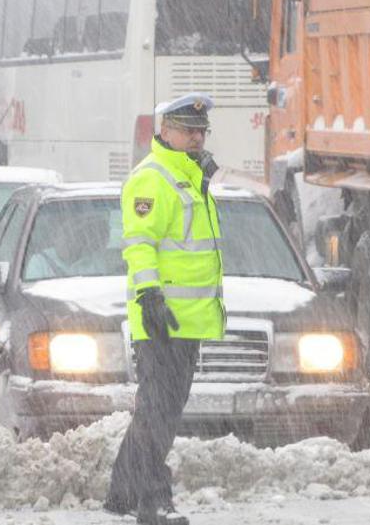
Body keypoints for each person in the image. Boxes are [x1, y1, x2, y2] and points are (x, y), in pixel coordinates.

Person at [106, 93, 224, 525]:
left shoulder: (191, 178)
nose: (196, 138)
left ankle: (122, 491)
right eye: (188, 130)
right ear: (165, 132)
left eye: (200, 131)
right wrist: (149, 295)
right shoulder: (152, 178)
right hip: (159, 319)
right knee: (158, 413)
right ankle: (153, 501)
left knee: (161, 411)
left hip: (186, 321)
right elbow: (140, 245)